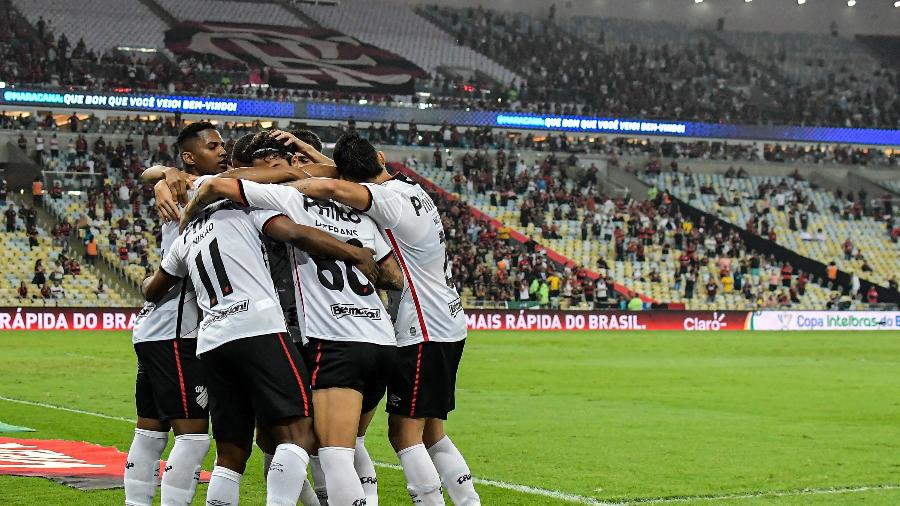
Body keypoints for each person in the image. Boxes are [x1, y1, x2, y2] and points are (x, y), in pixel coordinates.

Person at [143, 196, 378, 506]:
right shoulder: (243, 210)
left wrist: (149, 278)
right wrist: (354, 252)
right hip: (258, 328)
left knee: (230, 453)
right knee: (299, 433)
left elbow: (153, 289)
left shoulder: (185, 237)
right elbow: (296, 233)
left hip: (212, 342)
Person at [292, 132, 481, 506]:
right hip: (446, 320)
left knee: (404, 433)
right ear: (380, 156)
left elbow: (333, 186)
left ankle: (432, 501)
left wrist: (271, 180)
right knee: (433, 432)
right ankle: (468, 500)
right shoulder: (410, 187)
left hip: (422, 326)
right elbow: (345, 176)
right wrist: (313, 153)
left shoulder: (384, 202)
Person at [123, 122, 232, 506]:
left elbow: (149, 173)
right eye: (213, 145)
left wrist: (164, 174)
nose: (223, 150)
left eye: (223, 144)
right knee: (193, 436)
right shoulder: (190, 189)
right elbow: (149, 173)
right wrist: (167, 175)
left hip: (154, 327)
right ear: (190, 156)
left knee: (150, 431)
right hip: (176, 329)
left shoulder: (186, 183)